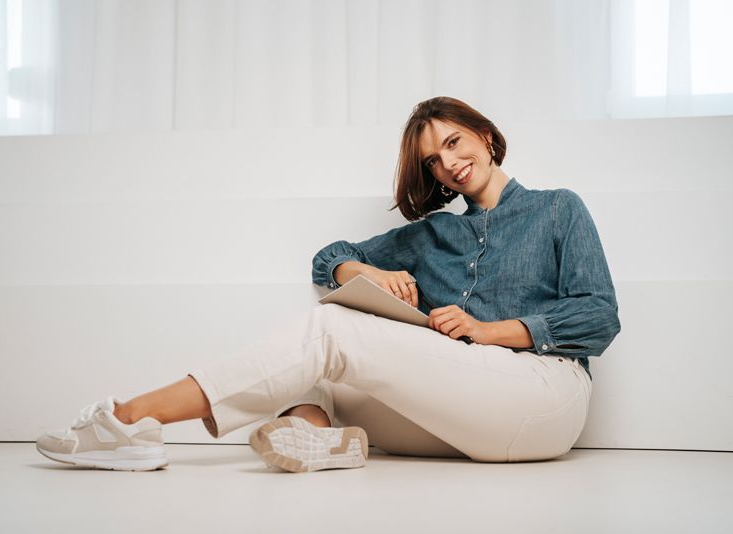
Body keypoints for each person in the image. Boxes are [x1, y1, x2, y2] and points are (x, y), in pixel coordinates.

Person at [36, 96, 620, 472]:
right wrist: (368, 272)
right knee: (310, 367)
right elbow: (329, 259)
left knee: (330, 330)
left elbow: (599, 316)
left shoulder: (556, 209)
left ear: (485, 138)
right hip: (466, 422)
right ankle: (317, 438)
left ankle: (130, 418)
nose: (448, 163)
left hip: (544, 398)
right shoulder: (433, 235)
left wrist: (488, 331)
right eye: (433, 161)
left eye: (454, 143)